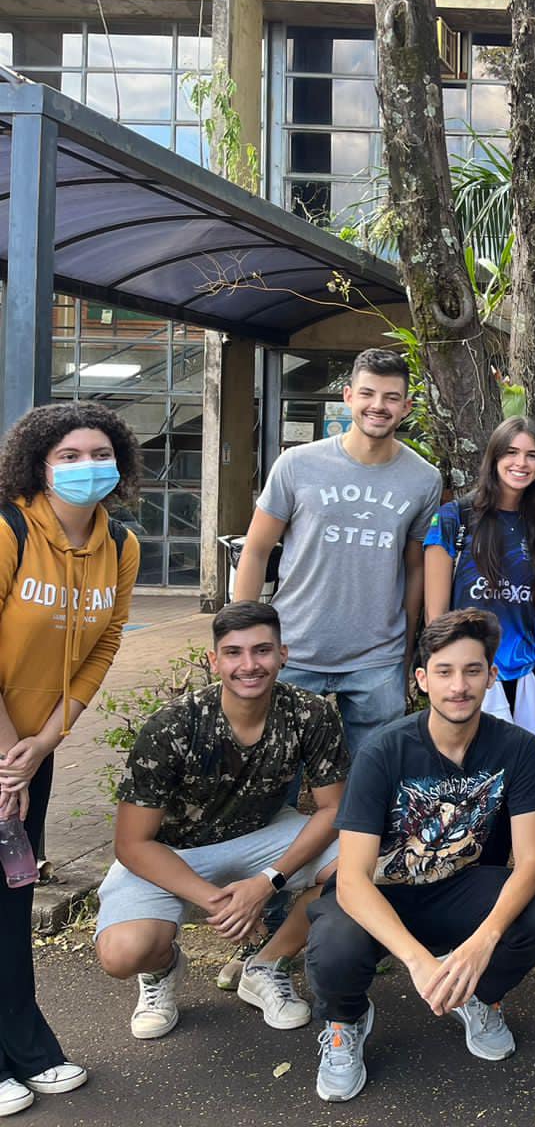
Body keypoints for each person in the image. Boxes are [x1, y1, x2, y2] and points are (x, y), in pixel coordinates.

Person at [303, 610, 535, 1102]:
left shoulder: (517, 747)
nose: (459, 686)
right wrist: (418, 961)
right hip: (385, 891)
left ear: (492, 676)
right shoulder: (384, 750)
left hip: (462, 887)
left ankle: (480, 997)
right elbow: (353, 879)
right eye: (444, 672)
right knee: (333, 948)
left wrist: (482, 942)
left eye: (472, 671)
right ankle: (345, 1023)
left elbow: (532, 861)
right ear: (423, 680)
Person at [94, 602, 347, 1040]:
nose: (249, 665)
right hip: (171, 850)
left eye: (262, 651)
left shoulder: (311, 713)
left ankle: (267, 963)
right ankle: (161, 971)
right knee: (122, 954)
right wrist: (220, 903)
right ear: (214, 661)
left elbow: (333, 810)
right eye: (233, 653)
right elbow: (133, 844)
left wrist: (267, 881)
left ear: (283, 654)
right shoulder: (172, 727)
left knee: (362, 868)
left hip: (262, 836)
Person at [0, 403, 142, 1114]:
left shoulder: (120, 544)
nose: (88, 466)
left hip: (32, 752)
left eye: (100, 452)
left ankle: (24, 1049)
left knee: (12, 894)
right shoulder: (8, 529)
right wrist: (8, 759)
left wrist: (47, 742)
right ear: (38, 465)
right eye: (69, 455)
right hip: (4, 752)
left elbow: (104, 646)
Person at [235, 347, 442, 760]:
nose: (377, 406)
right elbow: (256, 550)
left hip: (376, 656)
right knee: (275, 777)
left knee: (373, 782)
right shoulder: (297, 464)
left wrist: (406, 650)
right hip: (295, 647)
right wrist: (242, 637)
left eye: (390, 397)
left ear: (406, 406)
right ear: (347, 396)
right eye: (368, 394)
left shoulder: (424, 479)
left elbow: (415, 569)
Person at [425, 416, 535, 772]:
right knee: (468, 776)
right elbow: (436, 615)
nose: (521, 463)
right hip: (469, 670)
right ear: (494, 457)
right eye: (512, 452)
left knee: (523, 778)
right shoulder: (455, 517)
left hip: (526, 672)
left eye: (532, 455)